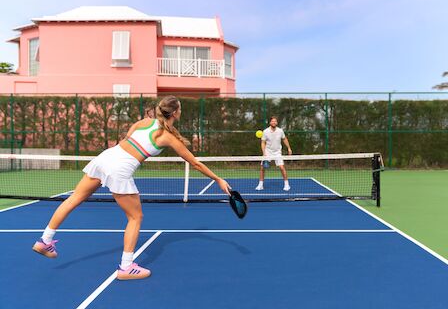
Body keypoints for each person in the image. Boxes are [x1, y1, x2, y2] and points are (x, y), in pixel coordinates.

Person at [32, 96, 231, 280]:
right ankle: (126, 267)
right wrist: (218, 179)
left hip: (106, 157)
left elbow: (128, 137)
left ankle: (44, 240)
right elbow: (195, 163)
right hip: (119, 169)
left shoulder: (145, 122)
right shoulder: (168, 137)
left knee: (73, 199)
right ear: (176, 113)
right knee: (135, 217)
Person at [255, 116, 292, 191]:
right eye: (272, 121)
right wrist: (264, 153)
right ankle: (260, 185)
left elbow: (284, 139)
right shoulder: (265, 131)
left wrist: (289, 148)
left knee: (282, 167)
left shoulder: (280, 131)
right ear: (270, 122)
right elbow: (263, 143)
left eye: (275, 121)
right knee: (262, 168)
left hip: (277, 152)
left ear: (277, 123)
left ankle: (287, 185)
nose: (274, 122)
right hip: (268, 152)